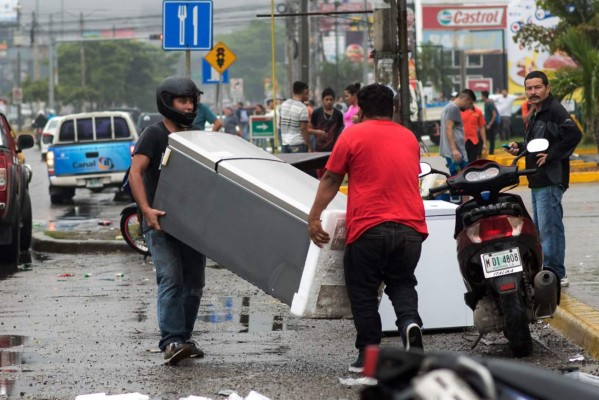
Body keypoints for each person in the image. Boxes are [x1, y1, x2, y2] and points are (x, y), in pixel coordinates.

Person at [307, 83, 428, 373]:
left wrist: (314, 216)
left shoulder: (353, 135)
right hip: (411, 227)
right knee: (401, 282)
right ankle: (409, 323)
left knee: (362, 291)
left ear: (359, 109)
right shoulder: (409, 137)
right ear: (394, 109)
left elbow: (331, 179)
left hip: (369, 227)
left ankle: (369, 356)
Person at [129, 76, 207, 366]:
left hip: (192, 224)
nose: (188, 106)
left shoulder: (196, 135)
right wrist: (146, 210)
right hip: (160, 222)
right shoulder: (154, 134)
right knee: (171, 277)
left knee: (195, 282)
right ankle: (171, 340)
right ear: (167, 102)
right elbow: (135, 172)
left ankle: (183, 339)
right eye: (182, 101)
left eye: (191, 101)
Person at [505, 71, 582, 288]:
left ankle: (555, 274)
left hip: (550, 178)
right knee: (540, 229)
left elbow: (574, 135)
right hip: (537, 180)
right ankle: (547, 273)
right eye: (529, 88)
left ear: (547, 88)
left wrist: (552, 155)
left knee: (550, 229)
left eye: (537, 87)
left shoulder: (554, 110)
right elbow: (536, 143)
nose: (533, 92)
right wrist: (519, 148)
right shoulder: (537, 113)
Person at [439, 89, 475, 175]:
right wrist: (454, 149)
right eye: (470, 104)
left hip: (454, 153)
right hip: (456, 155)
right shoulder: (453, 108)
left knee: (457, 178)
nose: (469, 108)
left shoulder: (448, 107)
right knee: (461, 178)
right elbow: (449, 127)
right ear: (466, 99)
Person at [310, 88, 344, 177]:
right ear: (322, 100)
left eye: (331, 100)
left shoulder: (338, 114)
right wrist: (316, 132)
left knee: (331, 175)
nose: (329, 102)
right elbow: (310, 129)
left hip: (333, 150)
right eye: (327, 99)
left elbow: (340, 130)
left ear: (334, 100)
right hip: (318, 149)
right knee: (319, 176)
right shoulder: (316, 113)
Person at [279, 81, 311, 153]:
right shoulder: (302, 107)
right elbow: (303, 128)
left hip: (285, 144)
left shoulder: (284, 105)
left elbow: (280, 123)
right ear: (304, 92)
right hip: (298, 144)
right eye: (308, 93)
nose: (308, 95)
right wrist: (309, 146)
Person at [460, 97, 487, 163]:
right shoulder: (461, 112)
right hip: (463, 140)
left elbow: (482, 128)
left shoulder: (478, 112)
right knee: (463, 161)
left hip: (474, 140)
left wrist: (484, 143)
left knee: (473, 161)